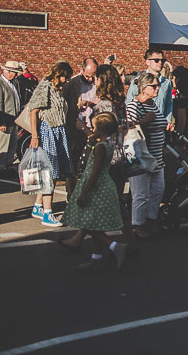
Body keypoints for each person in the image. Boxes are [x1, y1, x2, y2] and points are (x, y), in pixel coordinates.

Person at [60, 63, 135, 253]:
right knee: (112, 202)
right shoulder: (119, 103)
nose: (95, 81)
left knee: (95, 202)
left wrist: (82, 128)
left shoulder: (104, 105)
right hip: (119, 155)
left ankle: (112, 249)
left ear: (103, 81)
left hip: (105, 157)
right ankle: (94, 248)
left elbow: (99, 133)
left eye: (97, 78)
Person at [61, 112, 127, 270]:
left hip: (97, 187)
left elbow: (94, 171)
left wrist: (84, 192)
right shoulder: (104, 144)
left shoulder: (101, 148)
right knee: (95, 223)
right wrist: (90, 142)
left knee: (87, 223)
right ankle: (96, 258)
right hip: (101, 185)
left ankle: (115, 246)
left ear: (102, 129)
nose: (91, 128)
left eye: (94, 126)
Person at [26, 61, 75, 227]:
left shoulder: (57, 89)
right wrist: (35, 135)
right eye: (65, 77)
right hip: (48, 131)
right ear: (58, 74)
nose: (67, 80)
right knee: (49, 172)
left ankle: (39, 206)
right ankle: (48, 213)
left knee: (54, 172)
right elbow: (33, 110)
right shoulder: (45, 86)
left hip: (58, 131)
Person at [126, 72, 168, 240]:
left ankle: (151, 218)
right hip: (141, 156)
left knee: (158, 190)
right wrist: (145, 121)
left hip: (157, 155)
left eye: (158, 85)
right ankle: (137, 224)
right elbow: (129, 128)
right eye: (154, 86)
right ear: (143, 88)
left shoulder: (153, 104)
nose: (157, 88)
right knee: (141, 194)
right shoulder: (134, 106)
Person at [64, 58, 98, 192]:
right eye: (87, 76)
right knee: (74, 162)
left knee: (90, 163)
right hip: (77, 128)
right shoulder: (73, 84)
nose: (90, 79)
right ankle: (71, 194)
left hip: (92, 126)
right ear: (81, 71)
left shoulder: (96, 82)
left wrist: (88, 103)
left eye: (93, 76)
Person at [126, 48, 174, 131]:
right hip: (142, 127)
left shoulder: (166, 83)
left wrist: (168, 120)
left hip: (160, 127)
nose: (160, 63)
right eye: (156, 60)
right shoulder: (137, 81)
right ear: (147, 62)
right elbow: (129, 103)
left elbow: (168, 104)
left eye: (162, 60)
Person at [0, 60, 22, 173]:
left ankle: (8, 165)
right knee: (2, 145)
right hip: (4, 120)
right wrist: (1, 123)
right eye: (14, 72)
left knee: (11, 145)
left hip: (13, 120)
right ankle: (0, 167)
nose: (15, 75)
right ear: (8, 71)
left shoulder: (14, 83)